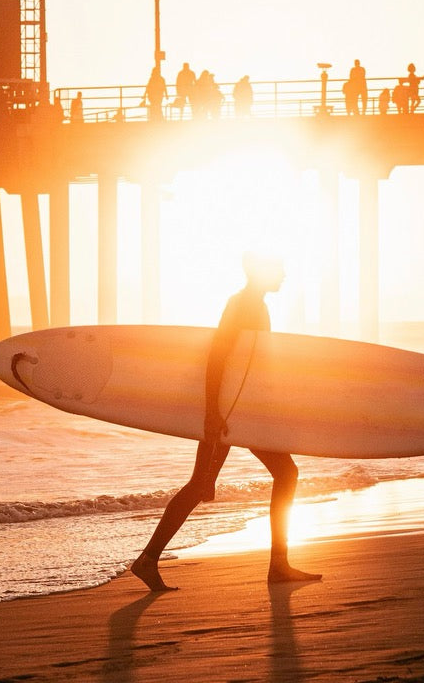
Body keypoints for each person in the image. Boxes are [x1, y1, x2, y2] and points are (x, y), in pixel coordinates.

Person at [132, 254, 321, 592]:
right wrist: (212, 413)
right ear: (262, 273)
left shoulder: (255, 305)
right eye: (279, 269)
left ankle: (150, 559)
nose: (285, 275)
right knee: (207, 483)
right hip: (230, 412)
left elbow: (251, 363)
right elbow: (217, 356)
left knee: (220, 482)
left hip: (240, 409)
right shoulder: (243, 305)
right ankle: (276, 564)